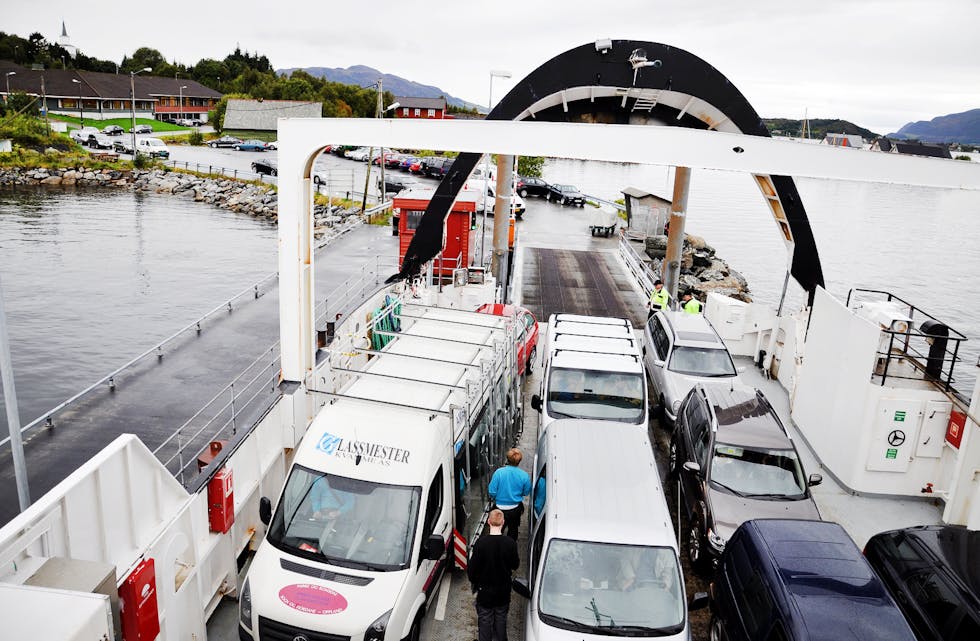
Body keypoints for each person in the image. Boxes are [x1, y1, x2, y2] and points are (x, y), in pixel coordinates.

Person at [468, 509, 520, 641]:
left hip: (485, 592)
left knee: (485, 621)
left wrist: (475, 581)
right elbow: (515, 565)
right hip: (503, 591)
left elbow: (472, 570)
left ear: (488, 521)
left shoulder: (480, 543)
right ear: (503, 522)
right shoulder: (510, 543)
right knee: (501, 621)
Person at [488, 448, 531, 541]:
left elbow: (492, 491)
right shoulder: (524, 475)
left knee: (497, 532)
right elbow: (526, 492)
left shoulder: (499, 473)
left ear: (507, 459)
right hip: (515, 509)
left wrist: (498, 497)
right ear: (519, 461)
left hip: (499, 508)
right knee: (513, 530)